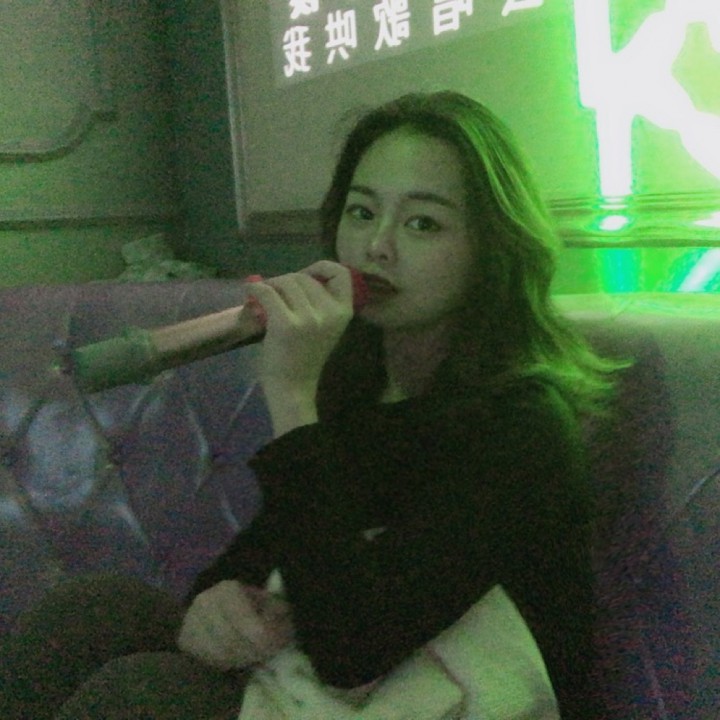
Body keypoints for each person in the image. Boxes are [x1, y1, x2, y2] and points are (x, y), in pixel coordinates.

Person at [0, 91, 622, 719]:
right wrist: (214, 603)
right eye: (362, 212)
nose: (377, 246)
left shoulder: (525, 425)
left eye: (422, 224)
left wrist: (293, 395)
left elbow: (351, 647)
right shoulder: (364, 383)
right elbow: (259, 555)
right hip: (339, 687)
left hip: (439, 699)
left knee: (141, 699)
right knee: (92, 613)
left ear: (491, 248)